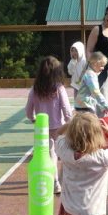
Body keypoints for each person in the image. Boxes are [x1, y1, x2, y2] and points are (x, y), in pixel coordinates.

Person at [25, 55, 74, 194]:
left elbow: (28, 110)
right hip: (59, 126)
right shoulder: (59, 88)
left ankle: (55, 183)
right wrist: (69, 122)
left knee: (50, 154)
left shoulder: (35, 89)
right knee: (65, 153)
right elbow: (66, 109)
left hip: (42, 128)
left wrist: (33, 118)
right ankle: (67, 181)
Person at [74, 51, 108, 116]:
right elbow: (96, 93)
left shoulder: (89, 73)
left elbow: (92, 95)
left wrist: (102, 107)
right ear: (95, 64)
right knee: (89, 124)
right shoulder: (91, 75)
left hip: (81, 105)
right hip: (85, 106)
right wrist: (106, 105)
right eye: (101, 66)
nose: (103, 68)